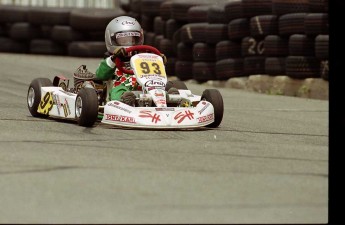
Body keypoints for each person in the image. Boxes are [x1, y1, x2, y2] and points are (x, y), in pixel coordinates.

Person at [94, 16, 167, 106]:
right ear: (111, 40)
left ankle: (168, 97)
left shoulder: (142, 57)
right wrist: (114, 58)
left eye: (132, 40)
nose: (129, 44)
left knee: (161, 88)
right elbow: (100, 75)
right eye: (123, 41)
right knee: (119, 90)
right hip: (121, 89)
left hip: (145, 87)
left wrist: (158, 60)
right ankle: (126, 100)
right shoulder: (110, 61)